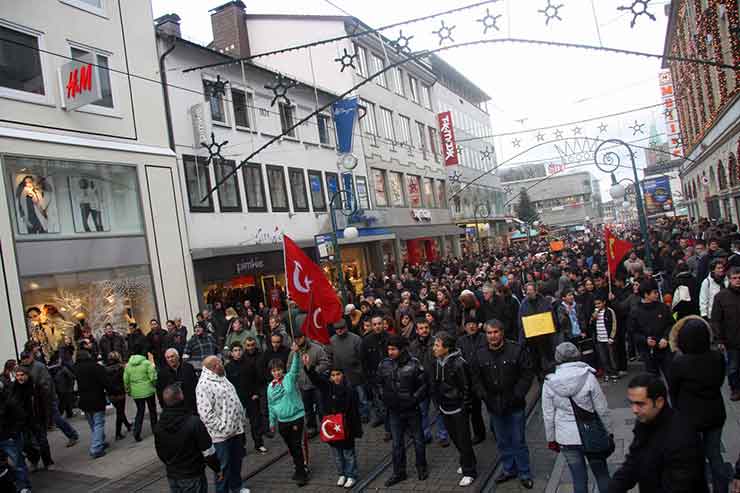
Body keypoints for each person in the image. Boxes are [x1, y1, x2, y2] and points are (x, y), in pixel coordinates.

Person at [608, 374, 708, 493]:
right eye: (632, 403)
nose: (634, 410)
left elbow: (679, 486)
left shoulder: (682, 436)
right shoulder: (644, 421)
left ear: (659, 402)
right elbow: (634, 461)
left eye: (640, 404)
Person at [669, 317, 730, 493]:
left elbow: (673, 389)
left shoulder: (680, 362)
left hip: (689, 415)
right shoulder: (716, 357)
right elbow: (720, 380)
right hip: (715, 412)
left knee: (695, 457)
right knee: (715, 455)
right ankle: (721, 488)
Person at [471, 319, 535, 489]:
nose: (492, 336)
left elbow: (527, 374)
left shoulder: (516, 350)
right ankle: (508, 469)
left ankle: (524, 472)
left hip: (514, 405)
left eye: (495, 332)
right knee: (502, 440)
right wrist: (484, 396)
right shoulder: (479, 354)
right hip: (494, 406)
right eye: (489, 333)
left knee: (518, 441)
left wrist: (517, 395)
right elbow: (476, 379)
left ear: (502, 332)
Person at [542, 342, 611, 493]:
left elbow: (548, 414)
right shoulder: (588, 376)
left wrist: (551, 438)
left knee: (578, 478)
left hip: (566, 437)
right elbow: (602, 407)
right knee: (602, 474)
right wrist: (608, 430)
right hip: (591, 432)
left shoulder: (549, 382)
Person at [377, 334, 428, 487]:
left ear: (401, 349)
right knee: (397, 443)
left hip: (411, 409)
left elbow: (424, 385)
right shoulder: (384, 364)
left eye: (393, 349)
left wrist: (414, 399)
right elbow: (378, 383)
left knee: (418, 440)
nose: (390, 352)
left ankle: (421, 467)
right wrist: (384, 397)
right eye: (389, 349)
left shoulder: (414, 364)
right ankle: (399, 472)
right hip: (394, 411)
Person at [305, 357, 363, 489]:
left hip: (346, 427)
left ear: (343, 375)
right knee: (337, 454)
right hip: (332, 427)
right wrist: (309, 367)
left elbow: (355, 413)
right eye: (333, 375)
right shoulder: (327, 388)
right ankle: (342, 473)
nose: (336, 377)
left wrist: (356, 430)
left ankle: (351, 474)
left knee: (348, 454)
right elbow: (316, 379)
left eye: (338, 374)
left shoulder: (350, 391)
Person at [154, 384, 223, 493]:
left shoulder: (159, 426)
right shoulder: (193, 422)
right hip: (193, 474)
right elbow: (208, 451)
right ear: (181, 397)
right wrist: (217, 469)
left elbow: (160, 452)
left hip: (173, 475)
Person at [431, 331, 477, 487]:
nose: (434, 348)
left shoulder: (459, 363)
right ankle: (467, 461)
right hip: (445, 407)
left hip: (458, 408)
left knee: (464, 439)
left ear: (447, 348)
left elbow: (466, 388)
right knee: (455, 438)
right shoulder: (438, 362)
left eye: (437, 345)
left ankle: (469, 471)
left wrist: (465, 406)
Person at [196, 355, 248, 493]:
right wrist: (223, 427)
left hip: (236, 430)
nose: (222, 364)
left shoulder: (221, 376)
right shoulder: (203, 385)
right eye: (220, 363)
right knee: (222, 467)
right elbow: (205, 414)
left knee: (236, 461)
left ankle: (236, 486)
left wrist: (240, 419)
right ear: (213, 367)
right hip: (220, 436)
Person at [267, 343, 309, 487]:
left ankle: (302, 473)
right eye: (274, 371)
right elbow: (271, 405)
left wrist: (296, 353)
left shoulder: (289, 378)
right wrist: (272, 422)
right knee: (291, 447)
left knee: (296, 446)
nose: (277, 373)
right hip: (282, 420)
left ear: (282, 369)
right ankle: (298, 467)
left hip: (296, 417)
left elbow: (295, 367)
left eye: (278, 370)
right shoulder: (270, 387)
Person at [19, 350, 78, 447]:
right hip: (32, 400)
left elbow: (47, 382)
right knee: (36, 423)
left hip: (46, 397)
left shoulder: (39, 366)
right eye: (23, 358)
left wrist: (43, 393)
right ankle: (39, 444)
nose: (25, 360)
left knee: (57, 418)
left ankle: (72, 435)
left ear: (31, 357)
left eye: (27, 358)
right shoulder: (22, 368)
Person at [410, 318, 449, 447]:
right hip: (420, 384)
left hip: (435, 382)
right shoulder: (413, 345)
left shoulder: (436, 343)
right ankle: (425, 434)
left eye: (426, 328)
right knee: (422, 411)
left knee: (439, 410)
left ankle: (442, 435)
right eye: (421, 328)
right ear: (417, 330)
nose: (424, 330)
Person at [225, 340, 267, 454]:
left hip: (251, 397)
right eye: (235, 351)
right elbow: (227, 385)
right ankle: (241, 447)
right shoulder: (228, 367)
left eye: (239, 350)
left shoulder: (249, 364)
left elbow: (256, 380)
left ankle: (259, 444)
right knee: (239, 424)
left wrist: (256, 393)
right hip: (237, 399)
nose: (237, 353)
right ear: (231, 353)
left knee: (255, 422)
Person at [286, 327, 329, 438]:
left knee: (321, 407)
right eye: (295, 339)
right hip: (302, 385)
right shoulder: (293, 353)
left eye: (299, 338)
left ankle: (325, 426)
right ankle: (311, 427)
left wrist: (314, 371)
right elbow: (289, 367)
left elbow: (325, 362)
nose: (297, 340)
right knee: (307, 408)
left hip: (316, 384)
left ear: (304, 337)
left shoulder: (316, 349)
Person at [11, 366, 53, 471]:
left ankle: (47, 461)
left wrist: (47, 419)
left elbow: (45, 403)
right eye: (17, 375)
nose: (19, 377)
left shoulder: (35, 387)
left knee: (42, 441)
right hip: (22, 421)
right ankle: (34, 459)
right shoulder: (14, 388)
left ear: (27, 375)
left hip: (36, 418)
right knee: (26, 444)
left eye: (22, 375)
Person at [629, 279, 673, 377]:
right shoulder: (635, 311)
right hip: (647, 352)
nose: (657, 295)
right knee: (653, 380)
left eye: (657, 292)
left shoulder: (663, 308)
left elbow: (671, 325)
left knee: (670, 376)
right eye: (654, 292)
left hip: (665, 349)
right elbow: (633, 333)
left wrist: (665, 338)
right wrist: (645, 340)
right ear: (646, 294)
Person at [73, 349, 111, 458]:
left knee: (93, 423)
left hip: (84, 400)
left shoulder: (76, 368)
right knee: (98, 422)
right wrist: (113, 390)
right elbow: (105, 382)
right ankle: (96, 448)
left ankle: (100, 441)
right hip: (96, 398)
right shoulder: (96, 367)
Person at [328, 319, 368, 424]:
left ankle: (364, 414)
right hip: (340, 374)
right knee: (345, 397)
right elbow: (330, 356)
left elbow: (362, 357)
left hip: (355, 372)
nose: (339, 331)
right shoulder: (332, 340)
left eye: (341, 328)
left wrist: (359, 369)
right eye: (337, 329)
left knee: (361, 396)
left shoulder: (356, 339)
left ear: (346, 327)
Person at [710, 265, 740, 401]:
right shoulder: (721, 297)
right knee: (733, 367)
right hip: (731, 339)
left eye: (739, 278)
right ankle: (735, 389)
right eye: (734, 278)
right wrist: (719, 339)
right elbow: (716, 320)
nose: (737, 280)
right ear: (729, 279)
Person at [456, 318, 487, 444]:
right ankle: (479, 433)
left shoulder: (484, 338)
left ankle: (496, 430)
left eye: (473, 324)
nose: (471, 327)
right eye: (468, 325)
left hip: (485, 377)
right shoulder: (461, 341)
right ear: (465, 327)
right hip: (470, 379)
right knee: (475, 410)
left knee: (492, 406)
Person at [518, 282, 556, 378]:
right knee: (535, 359)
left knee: (549, 357)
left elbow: (551, 315)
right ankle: (540, 377)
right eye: (527, 291)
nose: (529, 293)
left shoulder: (544, 301)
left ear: (536, 291)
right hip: (532, 339)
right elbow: (521, 321)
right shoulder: (523, 304)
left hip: (545, 337)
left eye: (531, 291)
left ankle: (552, 374)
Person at [0, 378, 31, 492]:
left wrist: (13, 433)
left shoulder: (9, 402)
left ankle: (25, 487)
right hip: (5, 437)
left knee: (18, 463)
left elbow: (21, 417)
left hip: (9, 437)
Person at [362, 315, 389, 434]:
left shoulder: (390, 338)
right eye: (375, 324)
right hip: (375, 378)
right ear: (372, 326)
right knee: (379, 403)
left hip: (390, 376)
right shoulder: (366, 341)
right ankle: (388, 428)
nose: (377, 326)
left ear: (383, 324)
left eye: (379, 324)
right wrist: (368, 378)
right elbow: (364, 361)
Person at [124, 350, 158, 442]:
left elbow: (126, 380)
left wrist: (128, 391)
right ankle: (155, 429)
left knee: (140, 411)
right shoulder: (147, 363)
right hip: (148, 390)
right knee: (152, 410)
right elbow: (153, 377)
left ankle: (137, 432)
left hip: (136, 393)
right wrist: (154, 385)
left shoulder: (128, 366)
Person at [157, 348, 198, 415]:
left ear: (178, 357)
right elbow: (160, 391)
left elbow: (195, 385)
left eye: (172, 356)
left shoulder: (188, 368)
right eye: (168, 358)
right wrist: (164, 407)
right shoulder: (162, 373)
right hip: (172, 409)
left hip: (190, 406)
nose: (170, 359)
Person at [589, 295, 617, 381]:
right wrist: (594, 317)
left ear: (604, 302)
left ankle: (614, 372)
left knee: (611, 357)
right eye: (596, 304)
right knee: (603, 357)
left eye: (599, 303)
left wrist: (612, 337)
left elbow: (614, 324)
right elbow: (590, 323)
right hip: (599, 338)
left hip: (608, 338)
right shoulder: (595, 312)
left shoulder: (609, 311)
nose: (597, 306)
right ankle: (607, 372)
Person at [104, 351, 132, 440]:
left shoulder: (105, 369)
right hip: (120, 392)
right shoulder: (121, 368)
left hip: (111, 394)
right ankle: (118, 433)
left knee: (120, 410)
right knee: (120, 412)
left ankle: (127, 425)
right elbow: (124, 379)